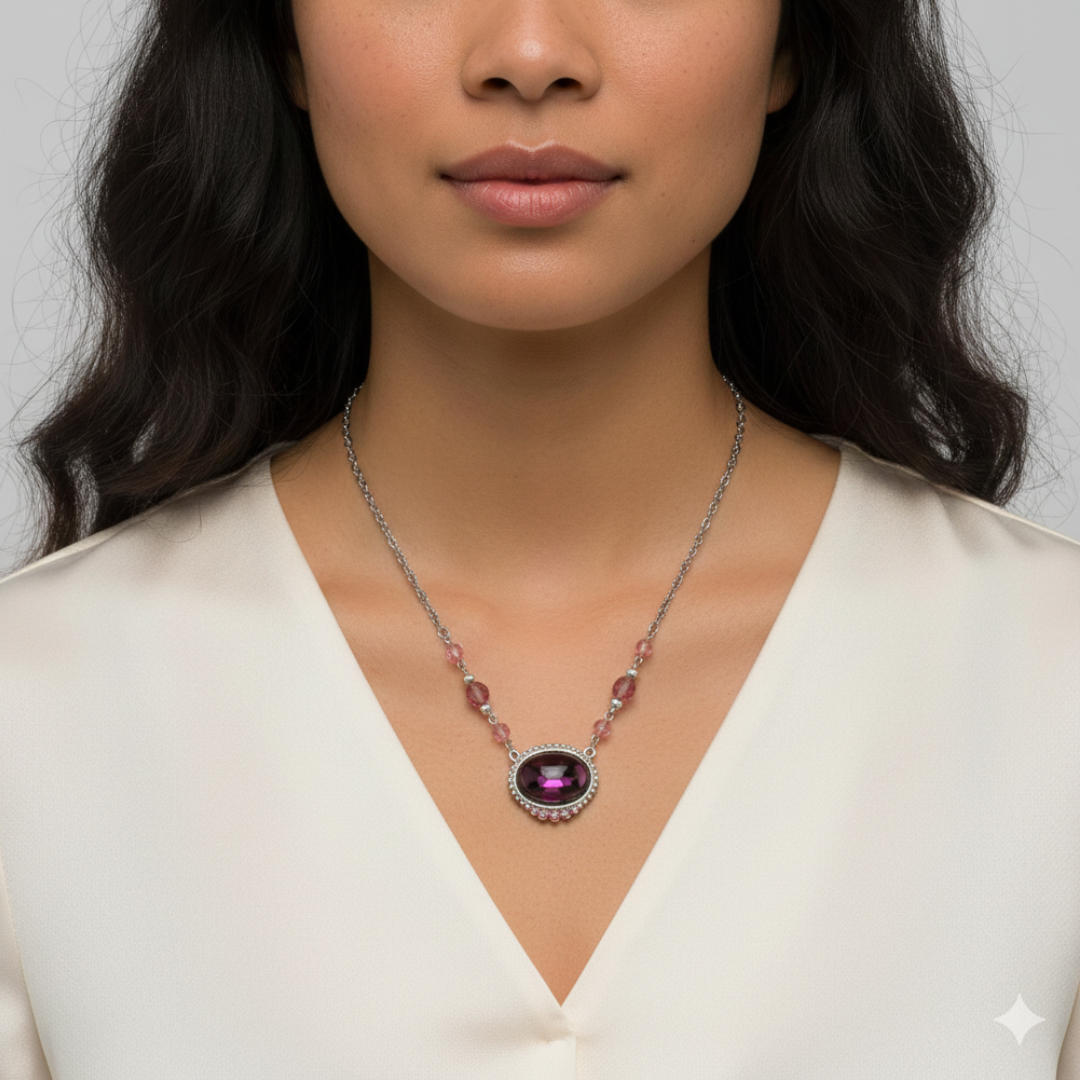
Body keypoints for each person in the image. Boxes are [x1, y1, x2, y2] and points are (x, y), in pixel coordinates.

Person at [1, 0, 1078, 1074]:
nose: (528, 55)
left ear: (794, 38)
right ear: (282, 37)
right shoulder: (34, 708)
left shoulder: (1048, 677)